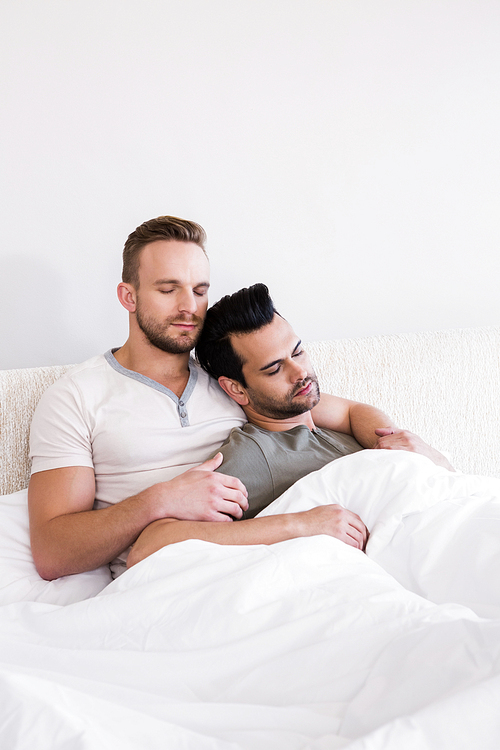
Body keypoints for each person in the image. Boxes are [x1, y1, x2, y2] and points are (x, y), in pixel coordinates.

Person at [28, 216, 400, 580]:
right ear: (129, 296)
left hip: (261, 561)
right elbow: (53, 553)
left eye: (200, 290)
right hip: (164, 572)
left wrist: (401, 444)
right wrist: (159, 500)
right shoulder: (76, 397)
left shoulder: (234, 378)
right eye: (168, 289)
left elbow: (346, 411)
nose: (189, 307)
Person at [127, 283, 452, 568]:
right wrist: (299, 525)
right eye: (273, 369)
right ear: (236, 389)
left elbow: (355, 411)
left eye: (297, 351)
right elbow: (150, 544)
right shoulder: (257, 453)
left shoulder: (317, 414)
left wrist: (400, 446)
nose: (299, 373)